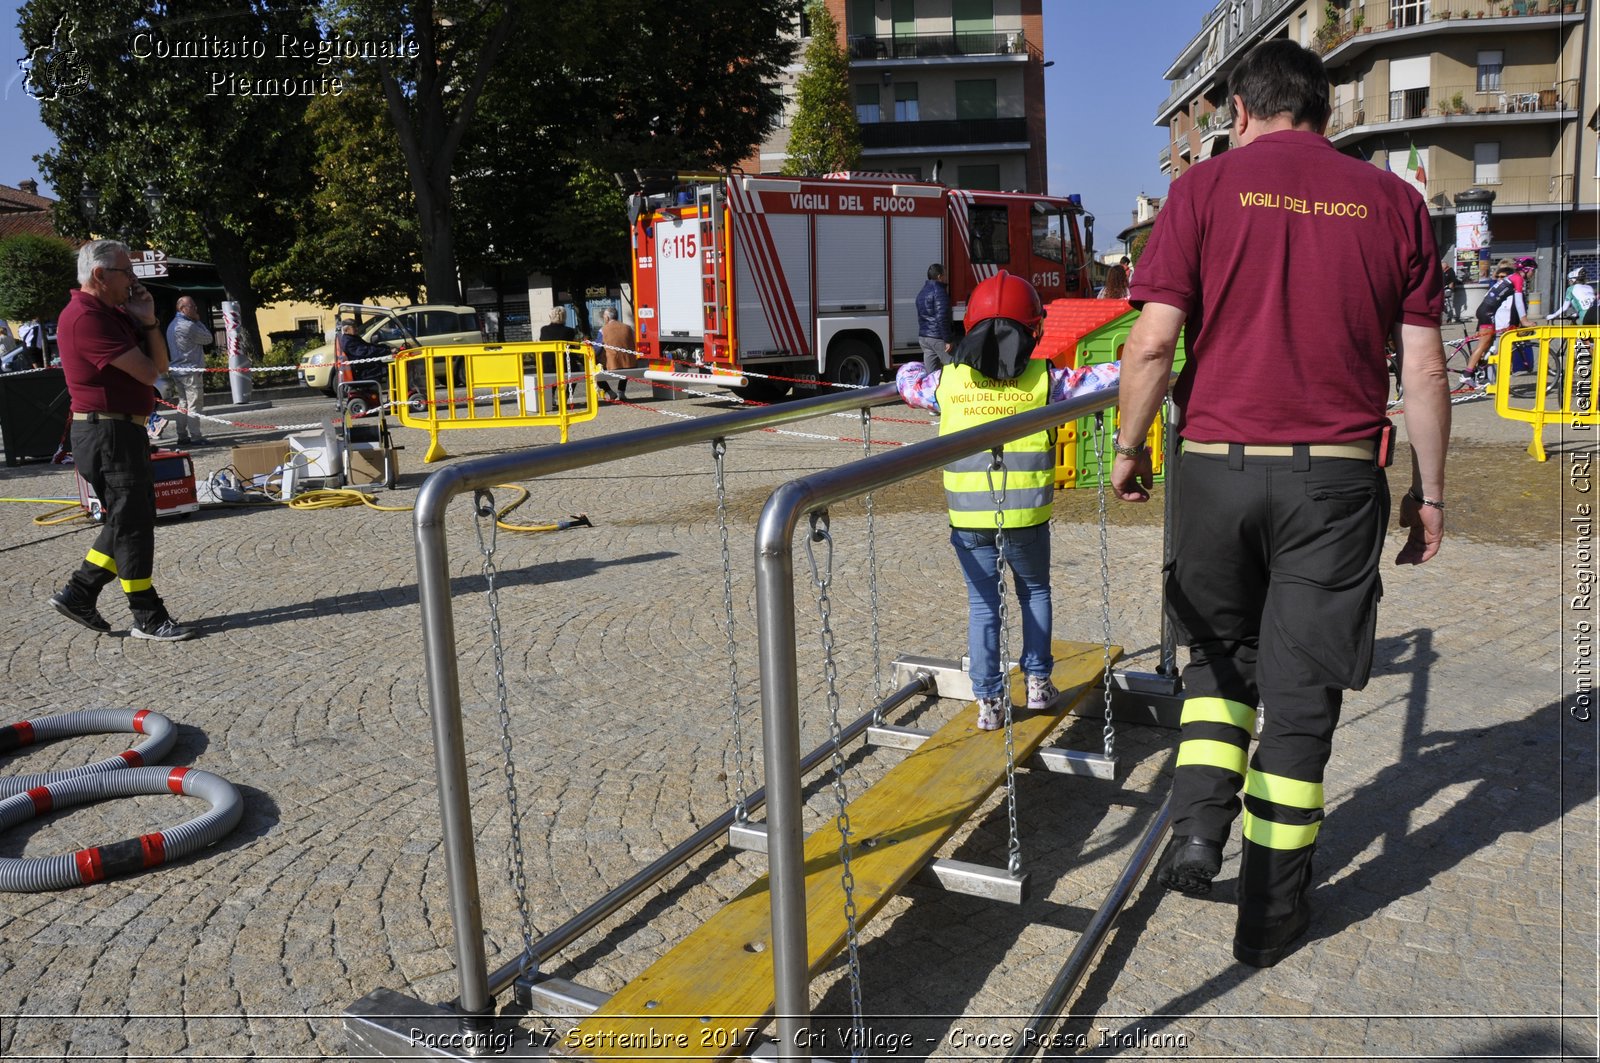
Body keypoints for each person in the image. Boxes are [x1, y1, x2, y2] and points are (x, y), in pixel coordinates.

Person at [1111, 40, 1450, 969]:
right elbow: (1422, 365)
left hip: (1216, 469)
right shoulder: (1395, 204)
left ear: (1239, 111)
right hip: (1335, 480)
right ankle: (1268, 917)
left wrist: (1131, 448)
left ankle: (1196, 833)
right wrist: (1432, 491)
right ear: (1327, 114)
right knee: (1299, 702)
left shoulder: (1203, 192)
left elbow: (1152, 346)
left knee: (1219, 659)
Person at [897, 270, 1119, 731]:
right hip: (1027, 516)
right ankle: (1037, 682)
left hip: (969, 518)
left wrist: (912, 366)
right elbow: (1101, 378)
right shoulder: (1046, 380)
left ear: (969, 327)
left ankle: (990, 702)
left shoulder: (948, 383)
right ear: (1033, 329)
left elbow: (908, 381)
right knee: (1034, 592)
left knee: (983, 606)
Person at [47, 239, 196, 642]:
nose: (132, 279)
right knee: (133, 526)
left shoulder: (111, 313)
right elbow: (149, 374)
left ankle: (80, 591)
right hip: (105, 430)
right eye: (125, 272)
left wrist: (147, 321)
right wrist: (141, 326)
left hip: (120, 429)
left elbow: (159, 367)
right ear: (100, 275)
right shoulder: (85, 317)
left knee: (130, 517)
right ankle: (146, 614)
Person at [1462, 265, 1523, 386]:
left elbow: (1516, 310)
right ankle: (1468, 374)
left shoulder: (1505, 290)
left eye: (1503, 277)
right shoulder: (1502, 288)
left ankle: (1483, 377)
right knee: (1484, 345)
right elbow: (1486, 309)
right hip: (1491, 320)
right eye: (1498, 277)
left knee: (1489, 348)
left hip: (1498, 323)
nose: (1500, 279)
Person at [165, 296, 212, 446]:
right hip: (190, 370)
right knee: (194, 404)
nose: (195, 309)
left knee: (183, 403)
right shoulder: (189, 326)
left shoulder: (172, 325)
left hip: (177, 369)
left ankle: (182, 435)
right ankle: (196, 436)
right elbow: (208, 338)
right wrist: (198, 321)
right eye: (192, 307)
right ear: (182, 309)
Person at [538, 307, 579, 409]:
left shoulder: (544, 330)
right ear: (565, 317)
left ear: (550, 316)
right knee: (577, 372)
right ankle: (565, 396)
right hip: (565, 365)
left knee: (554, 373)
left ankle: (551, 396)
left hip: (547, 366)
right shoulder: (570, 331)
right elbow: (573, 348)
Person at [915, 263, 952, 368]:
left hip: (924, 338)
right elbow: (942, 317)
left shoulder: (922, 292)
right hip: (937, 337)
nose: (946, 277)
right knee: (954, 366)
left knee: (931, 375)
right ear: (940, 277)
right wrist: (948, 340)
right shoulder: (939, 292)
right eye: (945, 275)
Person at [596, 307, 636, 402]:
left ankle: (610, 392)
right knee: (625, 366)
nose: (604, 318)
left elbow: (597, 348)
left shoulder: (603, 330)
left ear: (607, 318)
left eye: (604, 316)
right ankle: (621, 392)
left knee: (594, 371)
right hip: (629, 363)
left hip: (612, 363)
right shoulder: (628, 328)